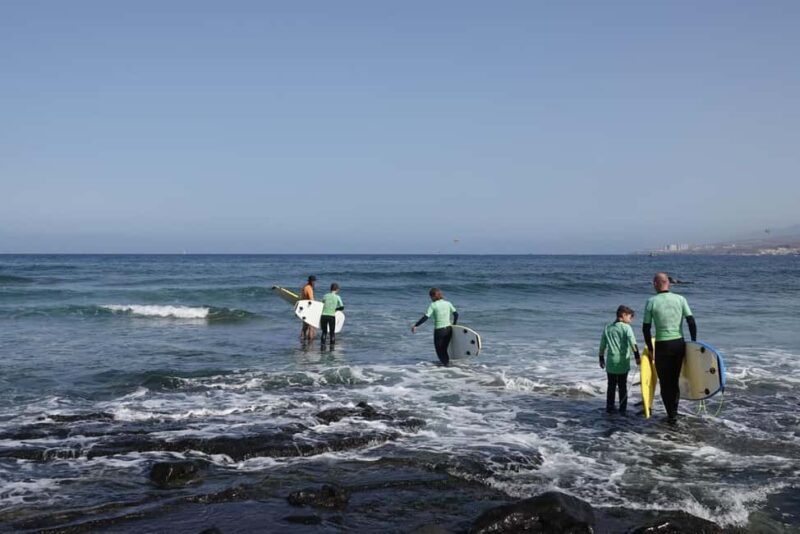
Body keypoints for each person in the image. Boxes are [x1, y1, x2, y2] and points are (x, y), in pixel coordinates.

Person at [642, 272, 697, 424]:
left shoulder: (651, 301)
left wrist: (650, 349)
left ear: (655, 284)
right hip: (679, 344)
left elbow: (646, 328)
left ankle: (670, 415)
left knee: (665, 383)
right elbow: (691, 321)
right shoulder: (680, 299)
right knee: (674, 380)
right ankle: (675, 412)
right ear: (669, 283)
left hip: (662, 346)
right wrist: (694, 344)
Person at [598, 305, 641, 415]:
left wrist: (601, 358)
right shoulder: (626, 328)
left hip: (611, 362)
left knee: (611, 386)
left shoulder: (607, 327)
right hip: (622, 362)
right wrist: (637, 357)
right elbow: (633, 344)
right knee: (622, 386)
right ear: (623, 315)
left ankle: (610, 407)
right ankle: (622, 409)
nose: (631, 320)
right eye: (630, 317)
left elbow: (602, 345)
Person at [411, 288, 458, 366]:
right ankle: (448, 366)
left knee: (439, 350)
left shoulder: (433, 305)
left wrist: (416, 325)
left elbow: (426, 317)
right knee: (444, 349)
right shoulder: (448, 303)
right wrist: (454, 324)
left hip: (439, 331)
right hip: (449, 329)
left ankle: (446, 366)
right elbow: (456, 314)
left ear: (433, 297)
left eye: (430, 297)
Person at [300, 275, 316, 341]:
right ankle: (310, 342)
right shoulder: (309, 288)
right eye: (314, 281)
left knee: (304, 327)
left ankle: (302, 341)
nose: (315, 283)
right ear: (312, 281)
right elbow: (311, 300)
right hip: (309, 309)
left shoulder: (304, 287)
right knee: (311, 327)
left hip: (304, 309)